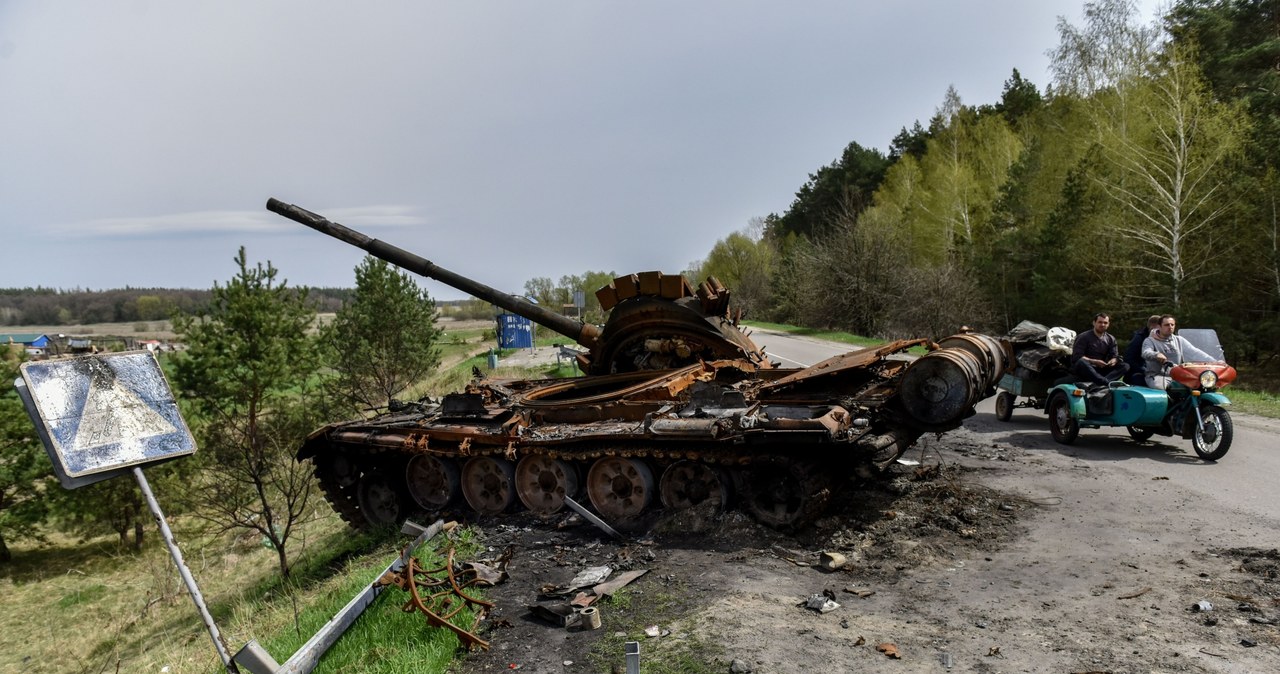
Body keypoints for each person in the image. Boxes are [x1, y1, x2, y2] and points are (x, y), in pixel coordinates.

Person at [1141, 314, 1219, 389]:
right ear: (1159, 326)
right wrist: (1156, 355)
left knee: (1198, 386)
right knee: (1169, 389)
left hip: (1178, 375)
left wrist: (1215, 361)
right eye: (1166, 325)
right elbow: (1146, 352)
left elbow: (1195, 352)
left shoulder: (1179, 340)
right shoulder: (1150, 340)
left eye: (1172, 325)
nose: (1170, 327)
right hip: (1157, 376)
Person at [1071, 312, 1129, 386]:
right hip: (1086, 368)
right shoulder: (1083, 337)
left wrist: (1113, 360)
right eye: (1100, 322)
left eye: (1105, 323)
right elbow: (1077, 357)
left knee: (1125, 366)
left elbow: (1114, 355)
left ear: (1108, 324)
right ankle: (1105, 382)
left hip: (1101, 368)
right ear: (1094, 323)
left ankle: (1101, 382)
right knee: (1082, 362)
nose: (1102, 325)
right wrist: (1094, 361)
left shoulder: (1111, 339)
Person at [1123, 315, 1162, 386]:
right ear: (1152, 327)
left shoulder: (1165, 338)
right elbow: (1128, 358)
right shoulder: (1139, 339)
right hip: (1141, 372)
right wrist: (1144, 370)